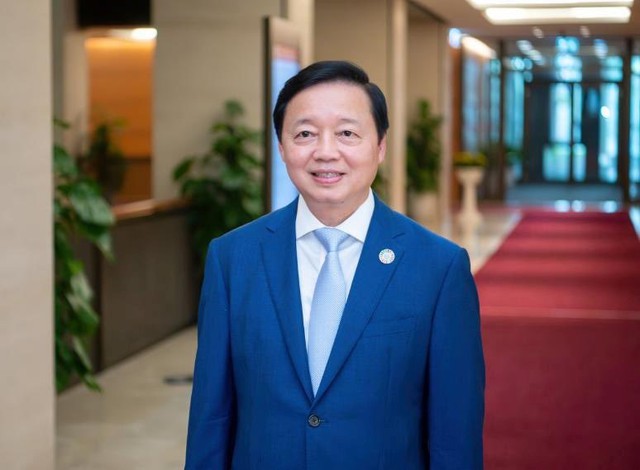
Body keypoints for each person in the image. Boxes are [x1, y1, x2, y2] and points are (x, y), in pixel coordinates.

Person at [185, 60, 485, 469]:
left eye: (347, 133)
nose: (326, 152)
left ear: (380, 146)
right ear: (282, 147)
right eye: (305, 134)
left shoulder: (439, 267)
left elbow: (455, 432)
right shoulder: (232, 259)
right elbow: (211, 416)